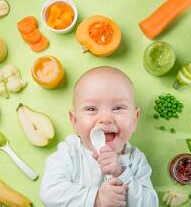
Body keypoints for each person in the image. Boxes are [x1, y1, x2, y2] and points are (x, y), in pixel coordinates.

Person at [40, 66, 158, 207]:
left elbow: (150, 204)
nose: (105, 118)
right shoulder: (69, 153)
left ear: (134, 119)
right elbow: (49, 193)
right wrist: (96, 198)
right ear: (75, 121)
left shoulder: (136, 161)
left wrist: (121, 173)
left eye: (118, 108)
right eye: (91, 109)